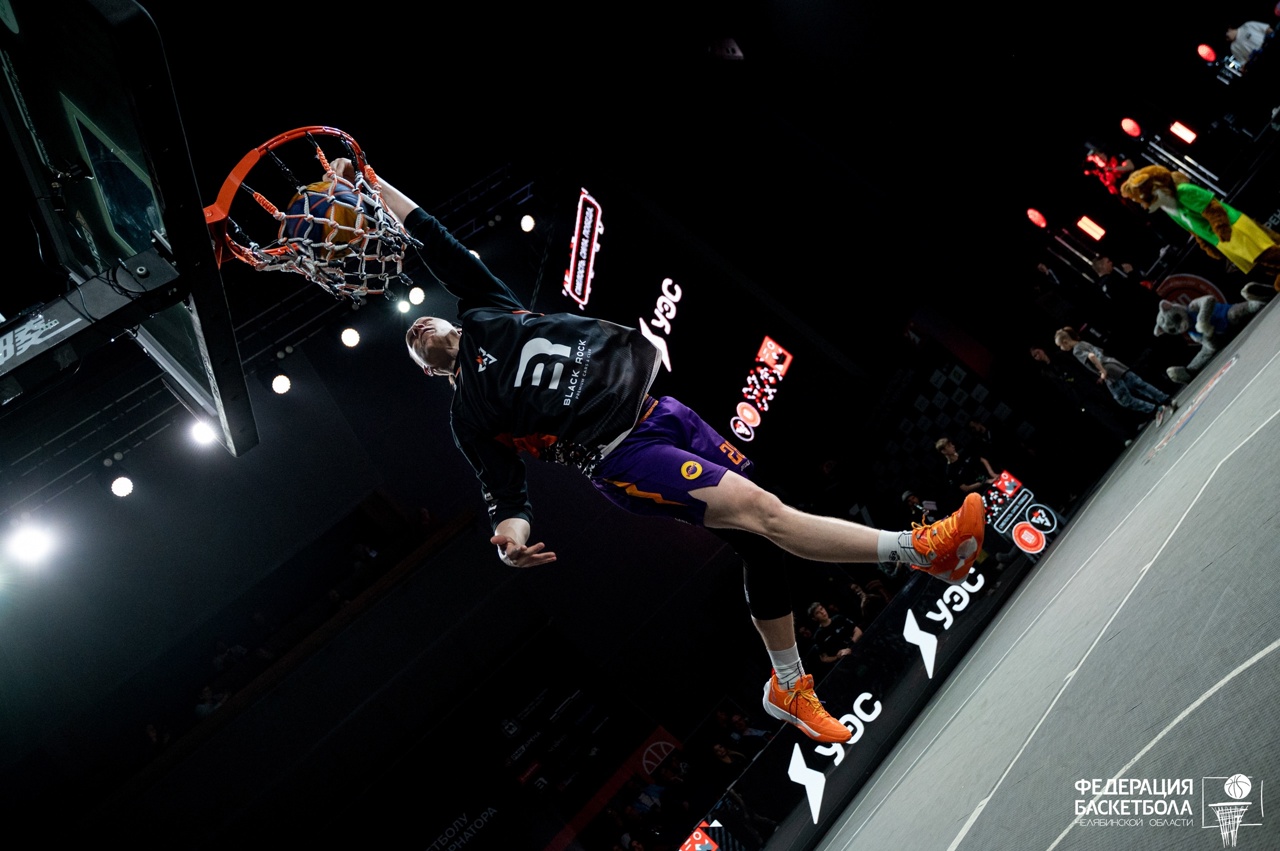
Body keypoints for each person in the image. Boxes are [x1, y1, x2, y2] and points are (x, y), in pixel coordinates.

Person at [343, 160, 986, 745]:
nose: (417, 329)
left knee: (761, 543)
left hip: (663, 411)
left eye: (423, 322)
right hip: (620, 455)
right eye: (412, 344)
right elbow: (506, 496)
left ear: (450, 321)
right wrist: (510, 541)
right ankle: (920, 549)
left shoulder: (487, 309)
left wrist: (372, 182)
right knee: (764, 512)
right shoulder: (470, 415)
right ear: (431, 371)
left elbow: (432, 236)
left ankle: (789, 685)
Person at [1053, 327, 1172, 422]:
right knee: (1139, 385)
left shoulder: (1077, 351)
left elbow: (1092, 356)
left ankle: (1156, 409)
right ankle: (1167, 400)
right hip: (1114, 364)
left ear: (1065, 342)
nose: (1062, 348)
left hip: (1109, 372)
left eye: (1060, 346)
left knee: (1124, 399)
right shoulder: (1083, 343)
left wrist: (1102, 371)